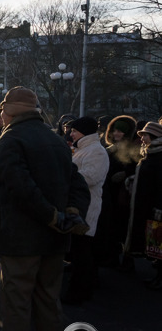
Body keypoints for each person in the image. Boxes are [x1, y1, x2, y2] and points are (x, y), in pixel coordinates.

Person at [0, 87, 90, 331]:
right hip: (54, 240)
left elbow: (20, 188)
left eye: (4, 109)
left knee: (17, 305)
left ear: (12, 111)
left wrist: (51, 216)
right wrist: (70, 214)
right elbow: (77, 183)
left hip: (22, 239)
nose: (1, 115)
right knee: (48, 302)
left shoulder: (11, 139)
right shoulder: (54, 138)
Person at [64, 116, 109, 304]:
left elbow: (91, 177)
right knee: (78, 251)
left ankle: (80, 292)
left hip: (87, 206)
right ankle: (80, 287)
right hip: (79, 205)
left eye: (74, 130)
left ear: (84, 132)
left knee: (84, 252)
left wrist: (67, 174)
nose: (71, 133)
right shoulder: (83, 149)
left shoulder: (96, 151)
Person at [96, 115, 139, 269]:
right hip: (110, 192)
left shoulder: (133, 149)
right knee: (111, 226)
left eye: (120, 131)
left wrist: (126, 175)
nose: (116, 134)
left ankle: (127, 259)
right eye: (114, 131)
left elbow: (136, 169)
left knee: (123, 227)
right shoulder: (109, 150)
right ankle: (112, 256)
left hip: (124, 194)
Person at [125, 121, 162, 288]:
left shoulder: (158, 156)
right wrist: (134, 180)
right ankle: (158, 277)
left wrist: (159, 207)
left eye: (145, 135)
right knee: (156, 244)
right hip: (148, 205)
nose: (143, 139)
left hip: (156, 207)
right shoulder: (150, 153)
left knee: (159, 243)